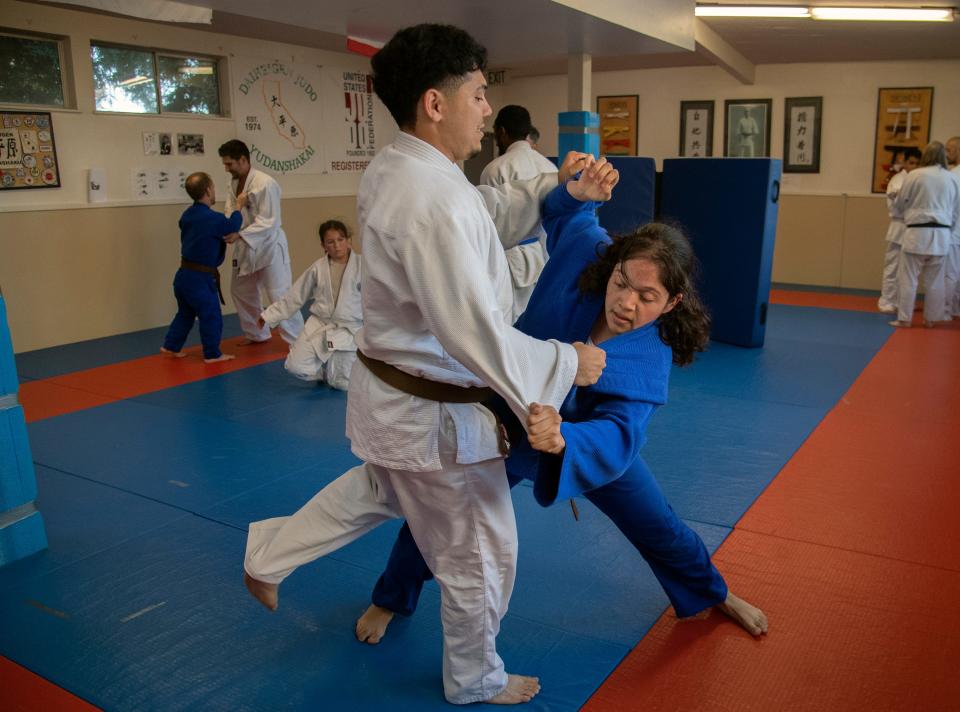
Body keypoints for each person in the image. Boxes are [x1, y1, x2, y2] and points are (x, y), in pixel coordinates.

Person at [242, 24, 607, 706]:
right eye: (477, 94)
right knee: (480, 556)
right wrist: (567, 361)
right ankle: (474, 679)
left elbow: (483, 212)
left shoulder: (403, 167)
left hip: (397, 404)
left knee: (377, 493)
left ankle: (266, 557)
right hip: (434, 414)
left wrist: (559, 197)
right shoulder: (429, 196)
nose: (487, 110)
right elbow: (473, 333)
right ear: (436, 103)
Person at [356, 159, 769, 650]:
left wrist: (564, 438)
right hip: (508, 419)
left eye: (647, 296)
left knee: (659, 525)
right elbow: (565, 216)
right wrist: (577, 193)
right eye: (622, 283)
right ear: (612, 265)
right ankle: (391, 595)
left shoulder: (648, 358)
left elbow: (620, 432)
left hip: (582, 444)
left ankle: (714, 591)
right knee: (443, 512)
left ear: (672, 303)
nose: (626, 303)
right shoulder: (585, 258)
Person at [218, 139, 304, 345]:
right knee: (240, 290)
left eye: (229, 164)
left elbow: (270, 221)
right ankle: (257, 333)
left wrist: (240, 234)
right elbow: (230, 211)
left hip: (270, 246)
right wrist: (231, 228)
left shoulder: (265, 183)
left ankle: (299, 341)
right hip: (246, 247)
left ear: (243, 159)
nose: (226, 168)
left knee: (279, 296)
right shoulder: (233, 182)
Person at [258, 220, 361, 389]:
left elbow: (378, 300)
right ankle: (323, 372)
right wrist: (269, 315)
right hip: (320, 324)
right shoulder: (318, 268)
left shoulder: (363, 267)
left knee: (341, 384)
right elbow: (295, 295)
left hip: (349, 328)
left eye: (341, 239)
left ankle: (340, 367)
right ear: (323, 245)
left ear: (349, 240)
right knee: (295, 366)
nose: (337, 246)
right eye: (330, 242)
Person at [481, 105, 559, 316]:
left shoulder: (496, 168)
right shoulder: (551, 168)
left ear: (502, 131)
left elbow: (491, 225)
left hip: (509, 259)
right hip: (543, 255)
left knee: (511, 321)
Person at [160, 172, 246, 363]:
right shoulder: (212, 219)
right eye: (213, 188)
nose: (214, 191)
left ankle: (171, 345)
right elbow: (232, 225)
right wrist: (239, 206)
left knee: (186, 312)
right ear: (208, 190)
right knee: (211, 315)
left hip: (183, 277)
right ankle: (212, 354)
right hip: (200, 279)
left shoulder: (187, 216)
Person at [890, 141, 960, 328]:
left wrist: (900, 214)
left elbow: (901, 202)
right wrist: (949, 228)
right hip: (942, 233)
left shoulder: (915, 175)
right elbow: (956, 209)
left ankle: (904, 318)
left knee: (909, 278)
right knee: (935, 280)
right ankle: (931, 319)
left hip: (917, 231)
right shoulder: (951, 178)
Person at [878, 147, 921, 314]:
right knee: (893, 266)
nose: (914, 166)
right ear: (904, 162)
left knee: (911, 269)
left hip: (914, 227)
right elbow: (897, 205)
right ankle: (887, 301)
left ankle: (905, 300)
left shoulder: (919, 179)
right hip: (899, 226)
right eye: (911, 163)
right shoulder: (897, 179)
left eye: (918, 163)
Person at [943, 135, 960, 318]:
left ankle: (946, 310)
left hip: (953, 232)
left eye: (949, 150)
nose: (946, 153)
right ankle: (956, 309)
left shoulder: (952, 176)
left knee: (950, 273)